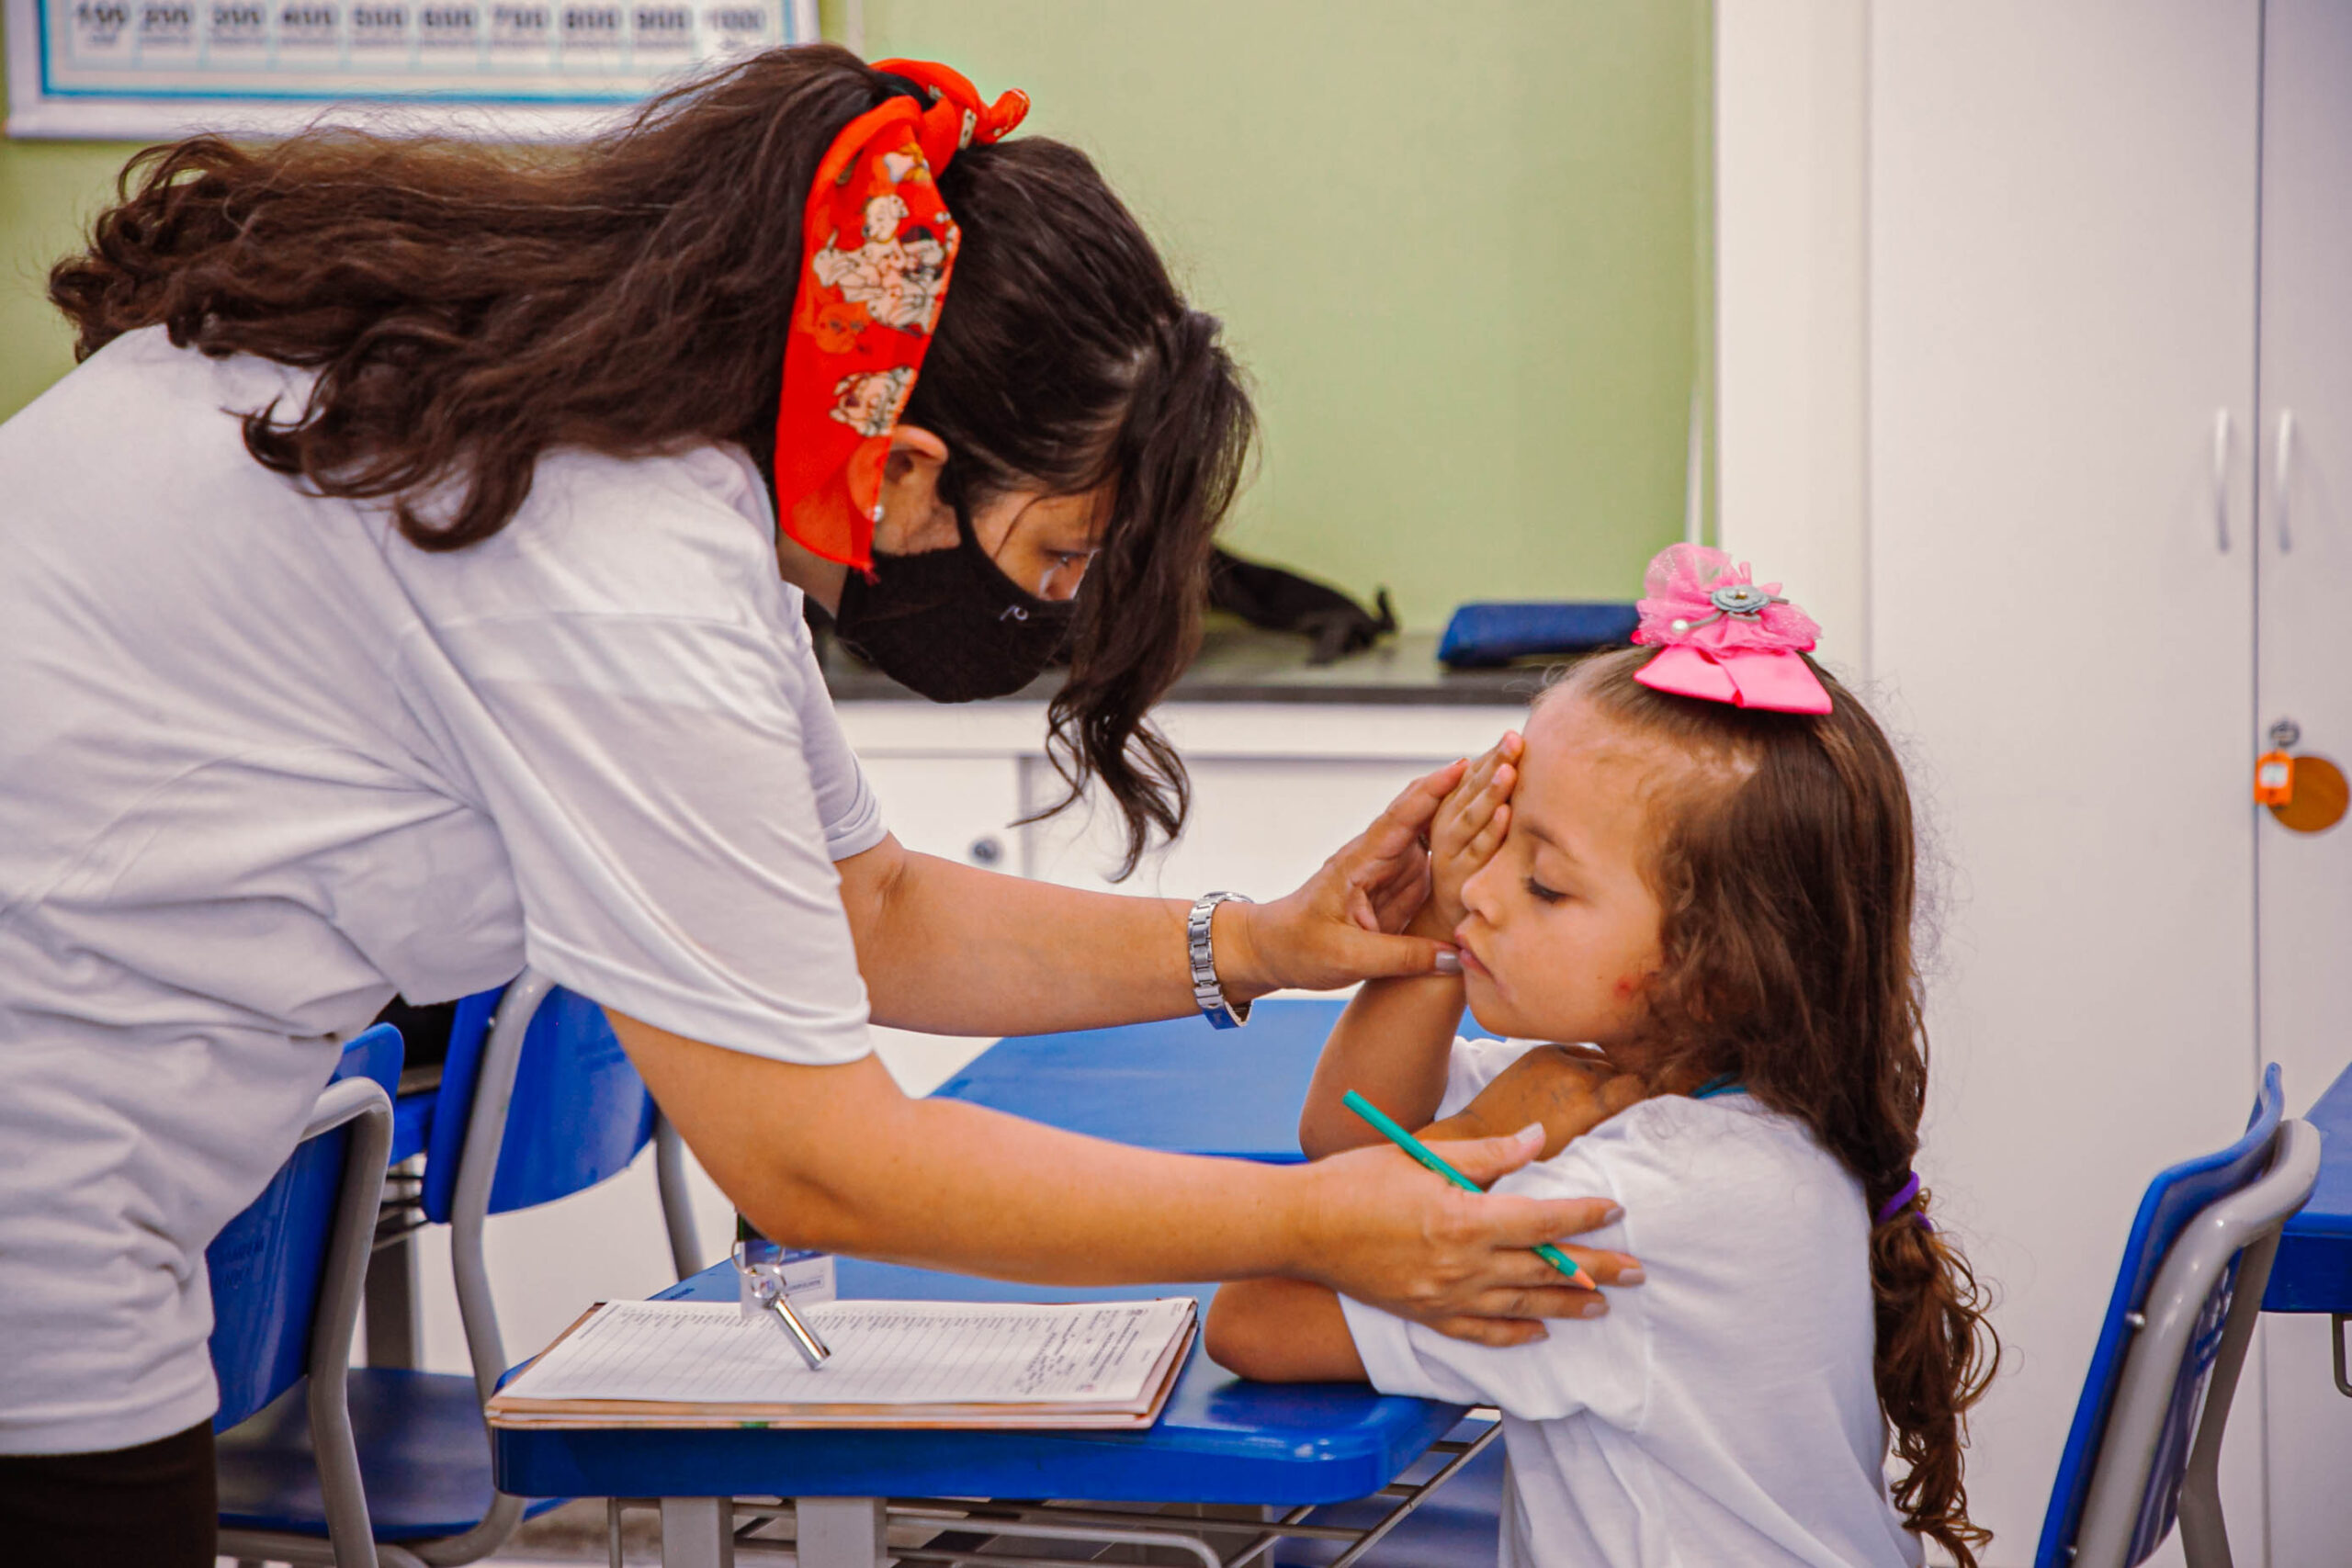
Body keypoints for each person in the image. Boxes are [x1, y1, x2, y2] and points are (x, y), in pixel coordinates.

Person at [0, 47, 1644, 1563]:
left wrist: (1269, 944)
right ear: (912, 462)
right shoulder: (609, 561)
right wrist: (1318, 1220)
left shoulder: (631, 471)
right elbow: (820, 1165)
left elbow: (872, 909)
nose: (1053, 605)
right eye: (1057, 557)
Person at [1207, 546, 2001, 1568]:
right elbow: (1349, 1128)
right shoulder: (1689, 1100)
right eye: (1496, 839)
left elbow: (1255, 1320)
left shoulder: (1641, 1198)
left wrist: (1482, 1131)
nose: (1483, 887)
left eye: (1542, 882)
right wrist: (1446, 930)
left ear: (1712, 973)